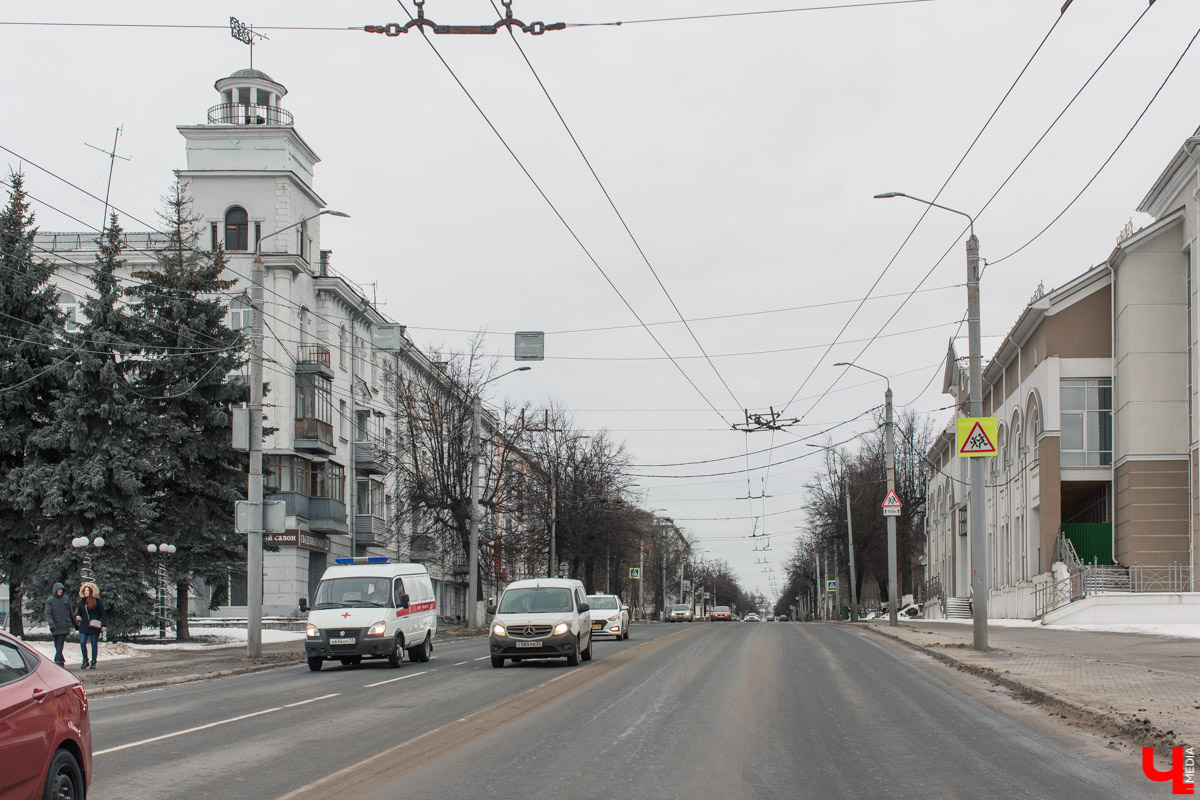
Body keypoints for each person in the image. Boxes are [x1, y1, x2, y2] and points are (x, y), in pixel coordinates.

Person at [74, 582, 107, 669]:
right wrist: (77, 616)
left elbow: (103, 614)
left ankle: (93, 661)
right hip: (84, 626)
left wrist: (104, 625)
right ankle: (85, 660)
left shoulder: (97, 601)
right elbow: (78, 612)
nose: (86, 592)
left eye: (88, 590)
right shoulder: (82, 602)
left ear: (92, 591)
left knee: (94, 644)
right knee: (82, 642)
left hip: (94, 626)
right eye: (84, 590)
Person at [44, 582, 73, 666]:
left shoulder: (66, 599)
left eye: (61, 590)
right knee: (56, 644)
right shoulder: (50, 601)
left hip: (64, 625)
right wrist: (51, 624)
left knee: (60, 643)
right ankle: (61, 660)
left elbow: (70, 612)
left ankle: (57, 660)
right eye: (58, 590)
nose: (60, 591)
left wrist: (75, 624)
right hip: (55, 626)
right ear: (55, 590)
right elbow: (48, 614)